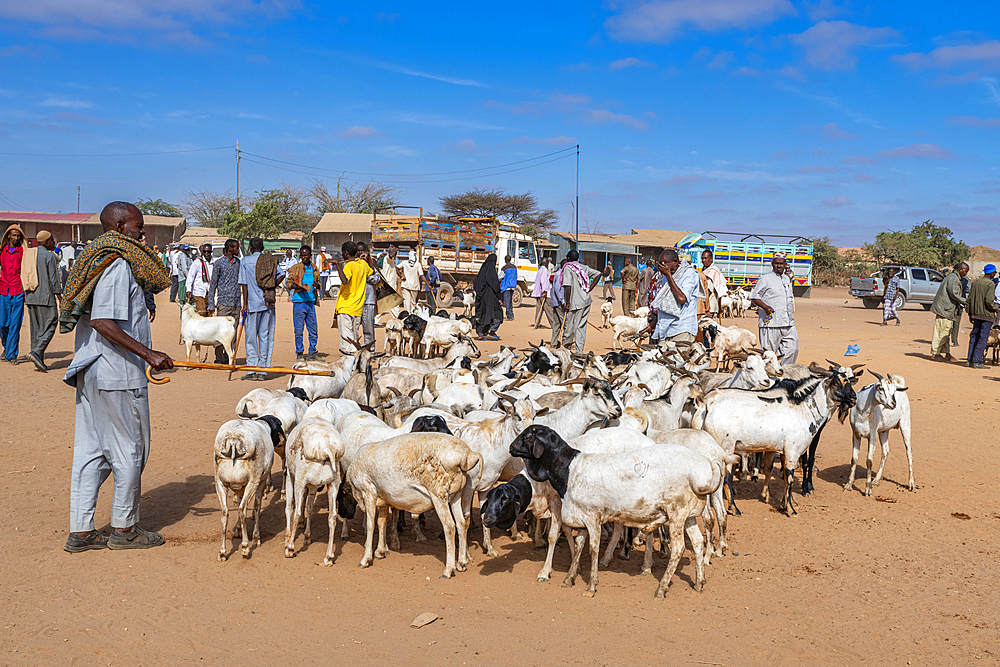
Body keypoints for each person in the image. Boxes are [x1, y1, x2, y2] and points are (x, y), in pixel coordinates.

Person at [62, 201, 173, 552]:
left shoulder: (97, 260)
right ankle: (124, 530)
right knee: (131, 449)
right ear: (121, 225)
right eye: (139, 226)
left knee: (92, 451)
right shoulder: (116, 265)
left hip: (96, 370)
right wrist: (149, 354)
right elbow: (102, 321)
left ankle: (81, 531)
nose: (143, 232)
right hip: (115, 373)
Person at [638, 248, 700, 345]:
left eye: (664, 264)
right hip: (666, 330)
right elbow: (665, 306)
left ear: (675, 262)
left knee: (679, 359)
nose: (661, 268)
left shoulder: (690, 274)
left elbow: (682, 299)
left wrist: (669, 276)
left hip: (682, 329)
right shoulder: (667, 275)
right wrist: (651, 327)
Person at [750, 253, 799, 365]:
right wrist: (765, 307)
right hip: (771, 323)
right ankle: (769, 377)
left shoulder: (786, 279)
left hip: (788, 323)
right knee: (769, 355)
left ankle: (784, 373)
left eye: (781, 264)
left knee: (792, 349)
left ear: (785, 265)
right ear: (772, 264)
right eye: (776, 263)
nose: (779, 266)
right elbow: (755, 297)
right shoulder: (765, 279)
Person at [24, 230, 62, 372]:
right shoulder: (49, 256)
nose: (52, 243)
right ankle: (37, 352)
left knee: (36, 329)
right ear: (46, 241)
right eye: (51, 240)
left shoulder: (29, 255)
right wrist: (60, 298)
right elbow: (54, 280)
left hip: (31, 296)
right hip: (45, 297)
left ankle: (37, 359)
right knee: (52, 322)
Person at [239, 238, 276, 380]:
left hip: (252, 304)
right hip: (268, 303)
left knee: (250, 338)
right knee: (265, 337)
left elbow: (244, 285)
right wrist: (270, 287)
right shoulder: (270, 260)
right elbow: (281, 274)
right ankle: (262, 371)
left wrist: (245, 304)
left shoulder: (245, 261)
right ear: (263, 247)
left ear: (250, 248)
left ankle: (251, 370)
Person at [561, 249, 603, 353]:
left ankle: (566, 351)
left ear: (568, 258)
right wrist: (589, 289)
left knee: (569, 329)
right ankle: (579, 352)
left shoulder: (568, 268)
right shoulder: (583, 267)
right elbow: (599, 274)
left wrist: (567, 302)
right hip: (585, 301)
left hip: (575, 303)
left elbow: (567, 286)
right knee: (581, 328)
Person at [334, 241, 372, 354]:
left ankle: (350, 367)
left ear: (346, 253)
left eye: (342, 252)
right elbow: (372, 271)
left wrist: (337, 264)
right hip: (357, 309)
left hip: (346, 307)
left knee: (347, 343)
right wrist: (368, 258)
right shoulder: (362, 264)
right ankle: (355, 366)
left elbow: (344, 281)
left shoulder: (349, 265)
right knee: (354, 341)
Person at [207, 239, 241, 364]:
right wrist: (211, 303)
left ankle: (229, 357)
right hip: (223, 303)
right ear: (230, 249)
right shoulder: (219, 263)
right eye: (236, 248)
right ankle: (219, 357)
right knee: (220, 332)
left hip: (236, 303)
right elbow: (213, 285)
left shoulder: (238, 263)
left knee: (233, 332)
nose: (238, 250)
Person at [286, 245, 320, 362]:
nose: (303, 257)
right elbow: (288, 283)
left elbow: (318, 284)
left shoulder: (314, 268)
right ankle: (299, 353)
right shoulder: (295, 268)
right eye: (302, 255)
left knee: (313, 329)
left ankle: (312, 352)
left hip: (310, 302)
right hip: (299, 302)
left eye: (305, 255)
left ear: (310, 255)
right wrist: (295, 286)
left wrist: (317, 286)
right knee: (299, 329)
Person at [930, 262, 969, 362]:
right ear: (961, 269)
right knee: (940, 331)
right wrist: (965, 301)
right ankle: (935, 353)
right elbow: (953, 293)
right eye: (966, 271)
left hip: (948, 309)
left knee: (946, 332)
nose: (966, 273)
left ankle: (947, 353)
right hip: (945, 309)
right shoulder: (953, 278)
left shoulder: (953, 277)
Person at [0, 224, 26, 363]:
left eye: (18, 236)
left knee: (15, 324)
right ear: (8, 236)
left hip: (18, 291)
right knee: (2, 324)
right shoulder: (2, 251)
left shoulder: (23, 252)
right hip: (3, 290)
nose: (16, 238)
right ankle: (6, 347)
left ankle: (11, 355)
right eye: (14, 235)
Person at [966, 264, 998, 369]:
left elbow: (970, 299)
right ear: (992, 273)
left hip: (975, 314)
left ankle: (970, 360)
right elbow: (989, 301)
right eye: (995, 272)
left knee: (974, 336)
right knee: (983, 337)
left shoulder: (976, 282)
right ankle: (977, 361)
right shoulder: (990, 284)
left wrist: (970, 313)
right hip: (986, 315)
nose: (995, 274)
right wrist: (996, 308)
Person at [473, 253, 503, 340]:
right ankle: (492, 331)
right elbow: (496, 287)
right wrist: (499, 298)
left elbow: (476, 282)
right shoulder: (492, 273)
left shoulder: (482, 272)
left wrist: (480, 293)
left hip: (481, 299)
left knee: (482, 315)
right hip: (491, 299)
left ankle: (481, 334)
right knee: (497, 313)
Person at [356, 242, 379, 345]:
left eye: (362, 250)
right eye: (358, 250)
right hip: (355, 301)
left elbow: (377, 278)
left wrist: (366, 276)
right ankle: (355, 351)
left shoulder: (372, 262)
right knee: (354, 329)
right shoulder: (353, 263)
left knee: (369, 328)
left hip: (369, 301)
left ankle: (370, 351)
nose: (361, 253)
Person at [185, 243, 214, 315]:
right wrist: (188, 289)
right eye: (204, 251)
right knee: (201, 312)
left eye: (208, 251)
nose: (206, 253)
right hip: (199, 290)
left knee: (209, 313)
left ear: (211, 252)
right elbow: (190, 276)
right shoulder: (197, 262)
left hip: (210, 291)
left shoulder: (214, 263)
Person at [701, 250, 727, 318]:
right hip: (710, 306)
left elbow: (708, 291)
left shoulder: (712, 272)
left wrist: (702, 304)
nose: (703, 260)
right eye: (702, 258)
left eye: (705, 258)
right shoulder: (707, 270)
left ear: (711, 259)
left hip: (709, 307)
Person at [378, 245, 403, 317]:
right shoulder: (386, 259)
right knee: (392, 302)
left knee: (383, 302)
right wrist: (393, 251)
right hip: (387, 284)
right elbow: (390, 256)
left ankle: (396, 317)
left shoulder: (392, 261)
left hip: (390, 284)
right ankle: (397, 317)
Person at [549, 258, 568, 345]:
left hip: (555, 302)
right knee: (565, 324)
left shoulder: (558, 273)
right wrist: (562, 301)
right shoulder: (561, 274)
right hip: (559, 303)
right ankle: (565, 343)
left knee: (557, 324)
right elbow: (557, 289)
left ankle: (554, 342)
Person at [531, 257, 553, 329]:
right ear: (546, 263)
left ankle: (536, 323)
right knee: (548, 309)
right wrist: (545, 291)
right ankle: (553, 324)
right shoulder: (544, 270)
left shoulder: (540, 270)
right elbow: (543, 281)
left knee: (539, 308)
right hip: (543, 293)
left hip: (539, 292)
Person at [500, 255, 518, 321]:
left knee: (507, 301)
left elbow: (500, 277)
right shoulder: (514, 267)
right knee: (510, 301)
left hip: (506, 286)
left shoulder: (504, 268)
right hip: (512, 286)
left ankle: (509, 316)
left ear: (505, 260)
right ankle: (511, 314)